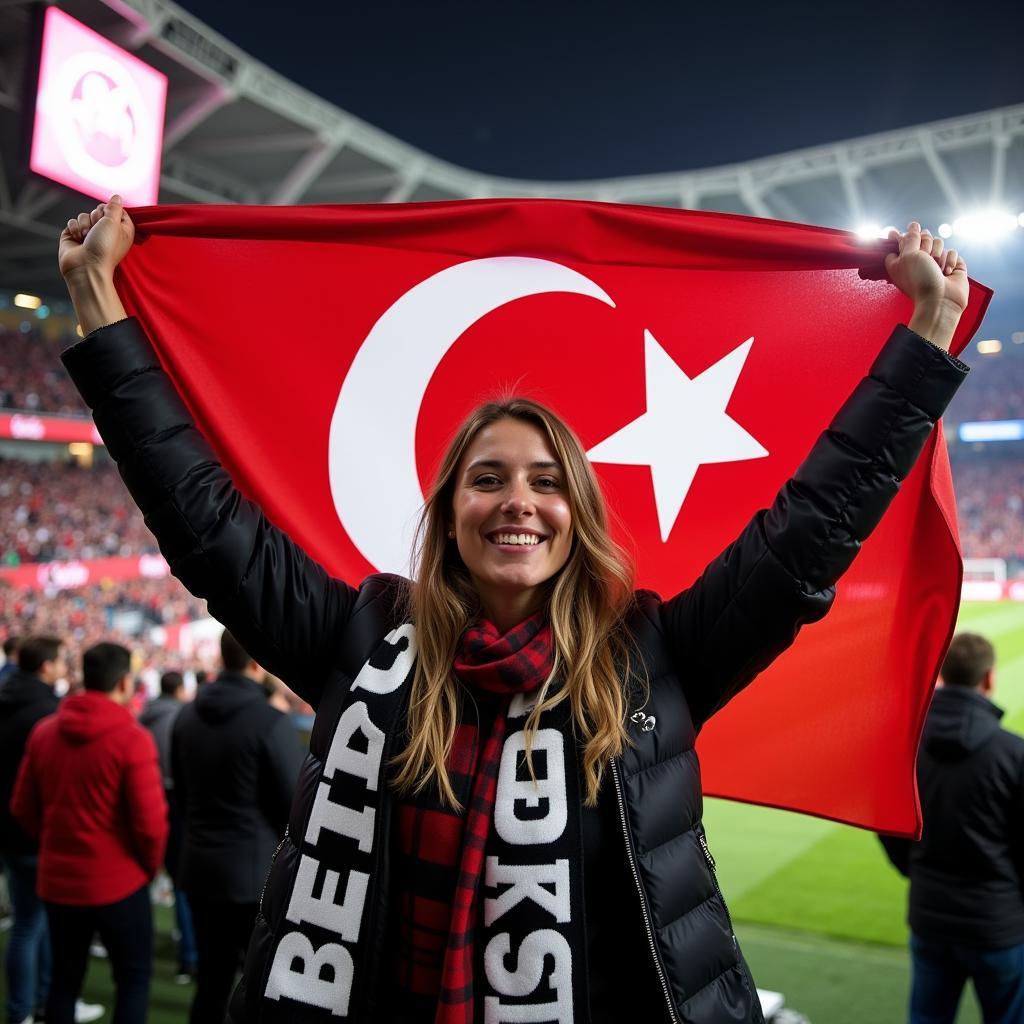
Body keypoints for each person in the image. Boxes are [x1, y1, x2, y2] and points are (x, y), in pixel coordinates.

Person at [57, 194, 970, 1023]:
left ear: (577, 514)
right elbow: (202, 521)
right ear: (451, 514)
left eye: (545, 483)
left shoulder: (648, 656)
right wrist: (99, 303)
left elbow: (806, 536)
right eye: (486, 480)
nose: (517, 502)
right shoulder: (362, 634)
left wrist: (928, 333)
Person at [10, 642, 167, 1024]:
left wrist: (55, 842)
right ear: (125, 682)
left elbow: (22, 808)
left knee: (64, 980)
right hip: (119, 885)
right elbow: (151, 825)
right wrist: (147, 869)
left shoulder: (44, 732)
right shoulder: (132, 739)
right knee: (132, 978)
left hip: (59, 882)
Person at [880, 633, 1024, 1024]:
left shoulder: (907, 746)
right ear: (989, 679)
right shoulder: (1013, 753)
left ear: (942, 673)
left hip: (930, 914)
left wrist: (918, 870)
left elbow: (890, 827)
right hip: (996, 922)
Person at [170, 630, 305, 1024]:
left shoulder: (186, 714)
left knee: (211, 981)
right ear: (256, 663)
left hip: (198, 868)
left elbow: (179, 792)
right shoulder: (270, 721)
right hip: (253, 875)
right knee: (260, 986)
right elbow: (293, 805)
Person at [0, 635, 63, 1024]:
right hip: (34, 830)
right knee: (32, 923)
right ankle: (25, 1009)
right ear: (46, 667)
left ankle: (39, 1004)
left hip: (7, 827)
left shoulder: (6, 698)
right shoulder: (47, 710)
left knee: (33, 921)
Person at [139, 670, 197, 984]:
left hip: (144, 804)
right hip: (173, 806)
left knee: (146, 883)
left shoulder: (143, 716)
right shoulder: (181, 719)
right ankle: (189, 957)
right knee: (181, 885)